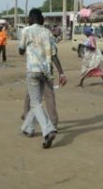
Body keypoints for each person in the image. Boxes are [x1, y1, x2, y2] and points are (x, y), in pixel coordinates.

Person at [19, 8, 64, 149]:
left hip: (33, 70)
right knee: (37, 101)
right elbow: (54, 54)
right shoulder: (48, 33)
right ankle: (28, 128)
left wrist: (25, 47)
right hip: (47, 72)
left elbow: (20, 50)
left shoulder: (26, 31)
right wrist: (61, 73)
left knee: (35, 103)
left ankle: (48, 130)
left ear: (31, 19)